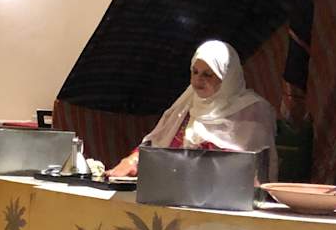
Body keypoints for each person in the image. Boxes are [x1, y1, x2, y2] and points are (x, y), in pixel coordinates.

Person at [107, 40, 277, 178]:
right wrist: (133, 160)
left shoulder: (252, 110)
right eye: (194, 72)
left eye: (207, 74)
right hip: (174, 191)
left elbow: (249, 167)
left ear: (227, 77)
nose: (197, 80)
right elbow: (158, 142)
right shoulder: (187, 103)